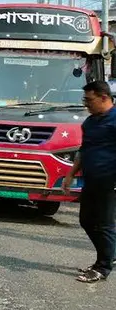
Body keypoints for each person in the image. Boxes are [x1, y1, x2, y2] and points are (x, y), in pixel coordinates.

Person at [63, 81, 116, 283]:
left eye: (89, 100)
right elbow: (83, 151)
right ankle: (110, 254)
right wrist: (70, 174)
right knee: (86, 221)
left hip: (110, 181)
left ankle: (102, 268)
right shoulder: (90, 122)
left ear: (104, 97)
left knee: (103, 224)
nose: (86, 104)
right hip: (92, 180)